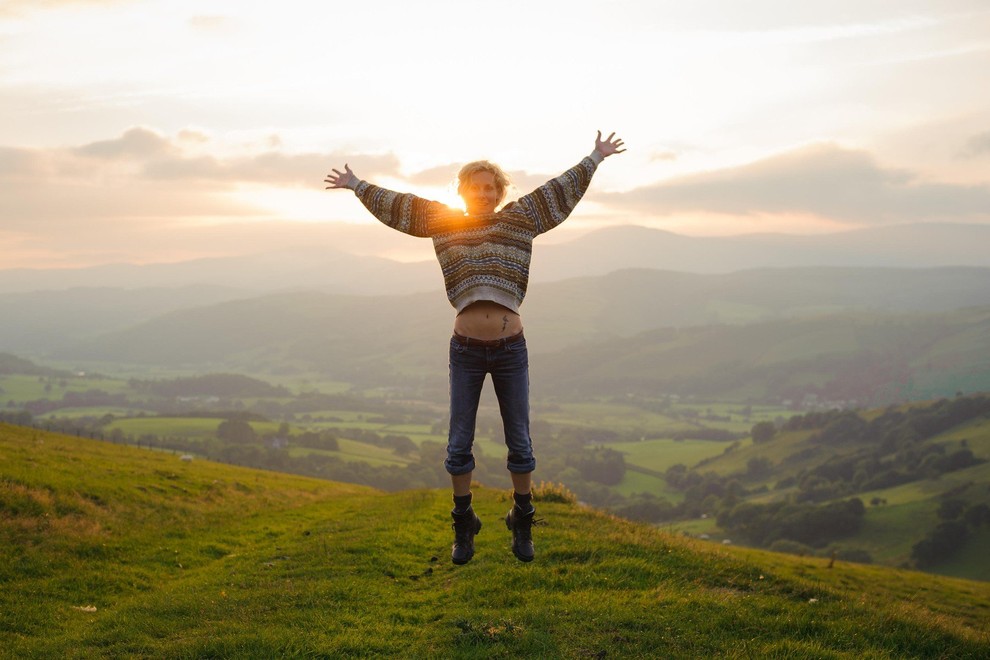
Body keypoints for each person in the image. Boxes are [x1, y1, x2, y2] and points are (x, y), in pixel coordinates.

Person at [324, 131, 625, 564]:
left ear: (499, 192)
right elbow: (401, 207)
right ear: (462, 192)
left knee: (520, 442)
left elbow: (559, 190)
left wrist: (595, 157)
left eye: (491, 187)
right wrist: (357, 185)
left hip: (510, 349)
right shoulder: (445, 222)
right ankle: (463, 523)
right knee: (458, 443)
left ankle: (522, 519)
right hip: (465, 349)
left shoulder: (520, 218)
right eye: (475, 187)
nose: (484, 193)